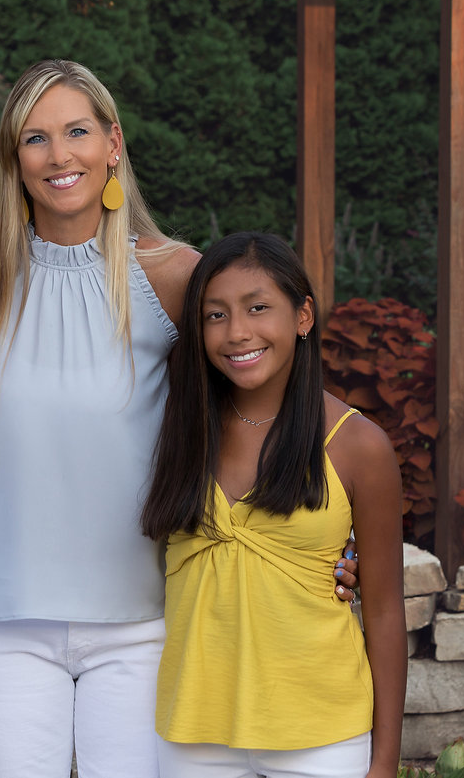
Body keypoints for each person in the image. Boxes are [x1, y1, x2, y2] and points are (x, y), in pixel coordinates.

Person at [0, 59, 361, 778]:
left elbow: (256, 402)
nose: (58, 154)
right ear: (14, 157)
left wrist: (331, 536)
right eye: (35, 138)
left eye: (77, 131)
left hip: (145, 621)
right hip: (2, 619)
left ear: (112, 143)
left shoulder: (173, 274)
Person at [141, 232, 406, 778]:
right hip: (194, 732)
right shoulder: (178, 431)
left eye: (258, 308)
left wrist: (385, 760)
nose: (238, 333)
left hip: (322, 734)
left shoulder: (359, 447)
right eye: (215, 315)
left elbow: (383, 612)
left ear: (303, 315)